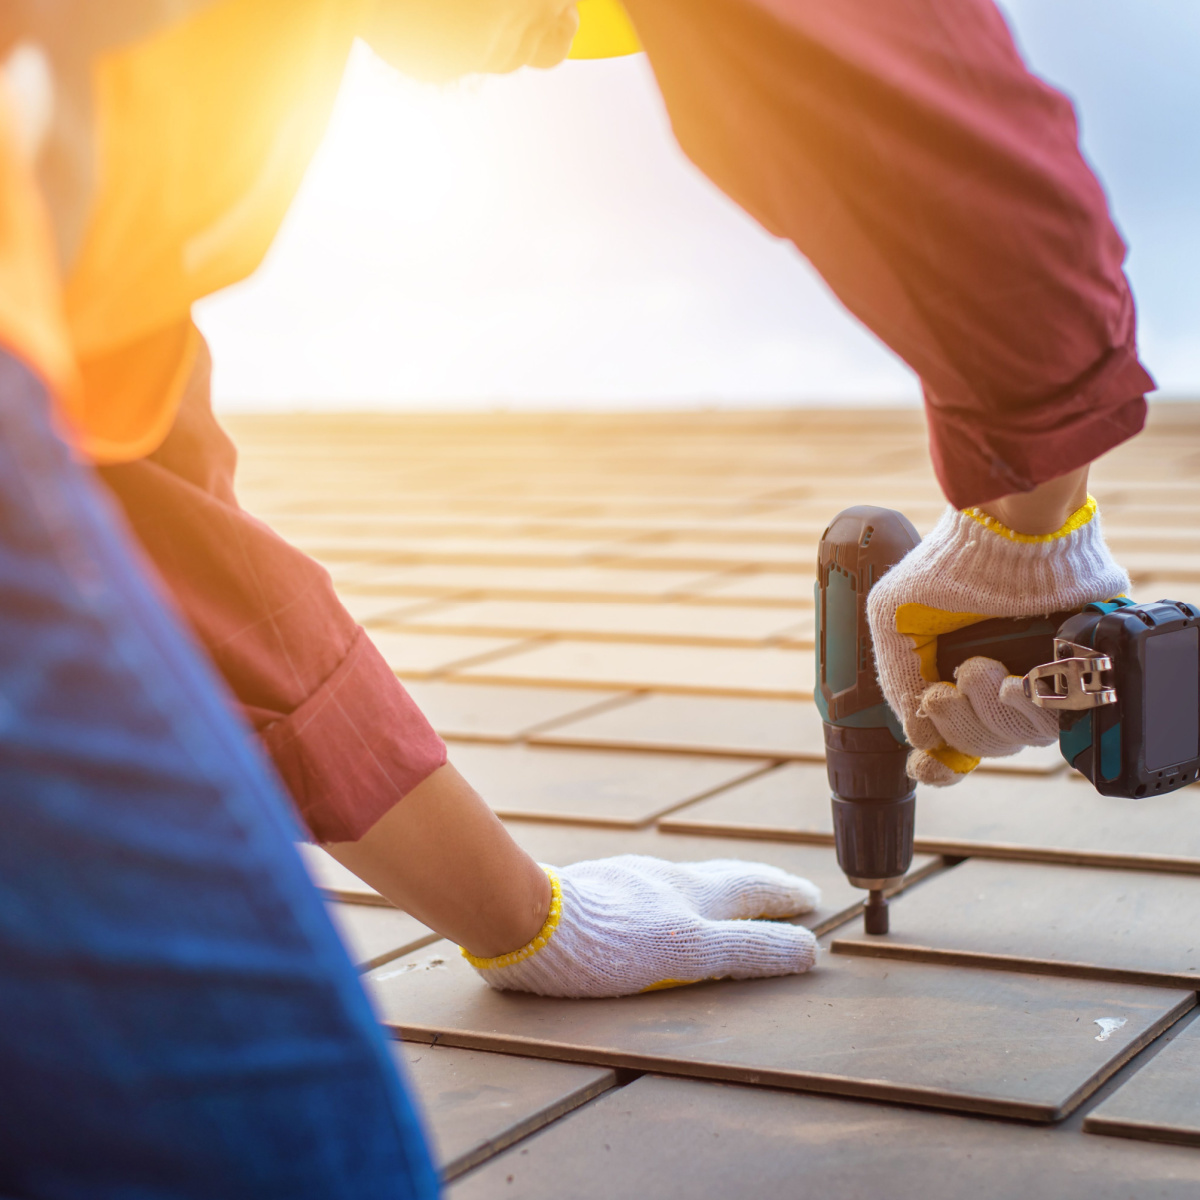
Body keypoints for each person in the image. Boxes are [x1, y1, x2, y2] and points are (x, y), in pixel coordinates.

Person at [0, 0, 1145, 1187]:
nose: (550, 43)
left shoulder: (116, 118)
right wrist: (1034, 522)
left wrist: (529, 917)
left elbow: (138, 533)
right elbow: (902, 59)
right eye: (555, 12)